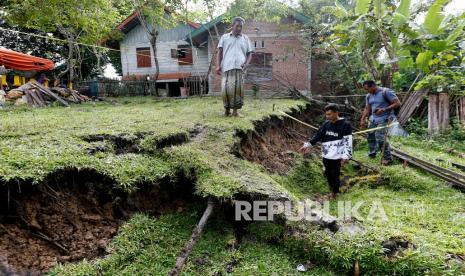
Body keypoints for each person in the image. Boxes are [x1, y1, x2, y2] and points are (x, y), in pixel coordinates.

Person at [299, 104, 353, 199]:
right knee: (328, 174)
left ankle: (334, 193)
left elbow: (348, 141)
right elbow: (317, 136)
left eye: (330, 114)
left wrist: (346, 156)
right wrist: (307, 145)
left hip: (337, 156)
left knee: (335, 175)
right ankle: (332, 190)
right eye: (326, 114)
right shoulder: (326, 124)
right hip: (326, 155)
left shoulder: (345, 125)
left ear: (337, 113)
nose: (328, 116)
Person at [216, 17, 254, 117]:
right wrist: (218, 65)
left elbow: (250, 53)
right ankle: (227, 111)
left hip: (240, 68)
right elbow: (219, 52)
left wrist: (246, 64)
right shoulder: (224, 37)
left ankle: (235, 111)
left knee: (238, 90)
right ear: (232, 26)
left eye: (241, 26)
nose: (239, 28)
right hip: (227, 67)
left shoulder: (245, 38)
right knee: (226, 90)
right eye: (237, 26)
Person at [359, 80, 401, 165]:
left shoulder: (386, 92)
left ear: (373, 86)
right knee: (370, 135)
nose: (367, 91)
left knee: (380, 136)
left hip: (386, 117)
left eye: (368, 89)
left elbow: (397, 103)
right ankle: (372, 152)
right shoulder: (368, 96)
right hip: (374, 118)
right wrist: (362, 119)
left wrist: (384, 109)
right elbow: (367, 108)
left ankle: (387, 158)